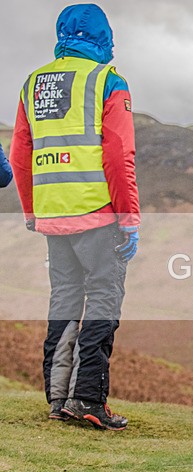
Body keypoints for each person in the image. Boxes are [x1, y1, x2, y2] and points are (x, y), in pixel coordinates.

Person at [10, 4, 139, 430]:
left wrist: (32, 210)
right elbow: (119, 155)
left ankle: (58, 397)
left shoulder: (32, 84)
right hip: (97, 214)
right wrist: (129, 217)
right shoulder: (108, 81)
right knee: (103, 301)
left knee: (63, 301)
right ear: (102, 35)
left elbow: (19, 154)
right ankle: (87, 399)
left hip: (52, 215)